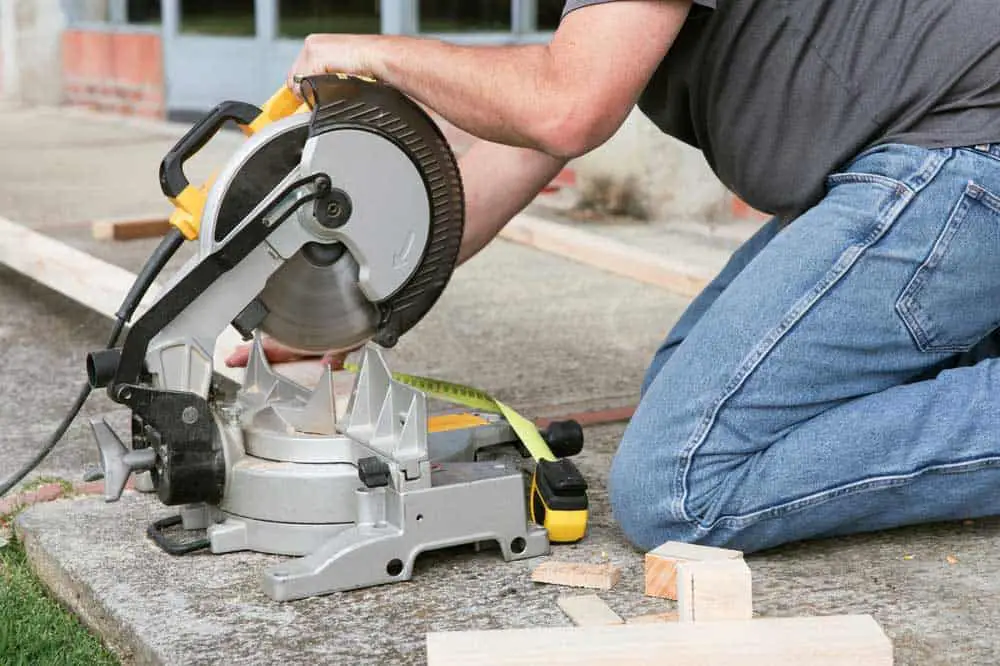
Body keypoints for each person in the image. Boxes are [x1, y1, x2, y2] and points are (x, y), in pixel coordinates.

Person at [233, 0, 1000, 554]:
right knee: (685, 394)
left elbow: (567, 106)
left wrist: (377, 55)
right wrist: (344, 305)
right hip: (932, 162)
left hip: (963, 157)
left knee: (680, 482)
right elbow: (530, 142)